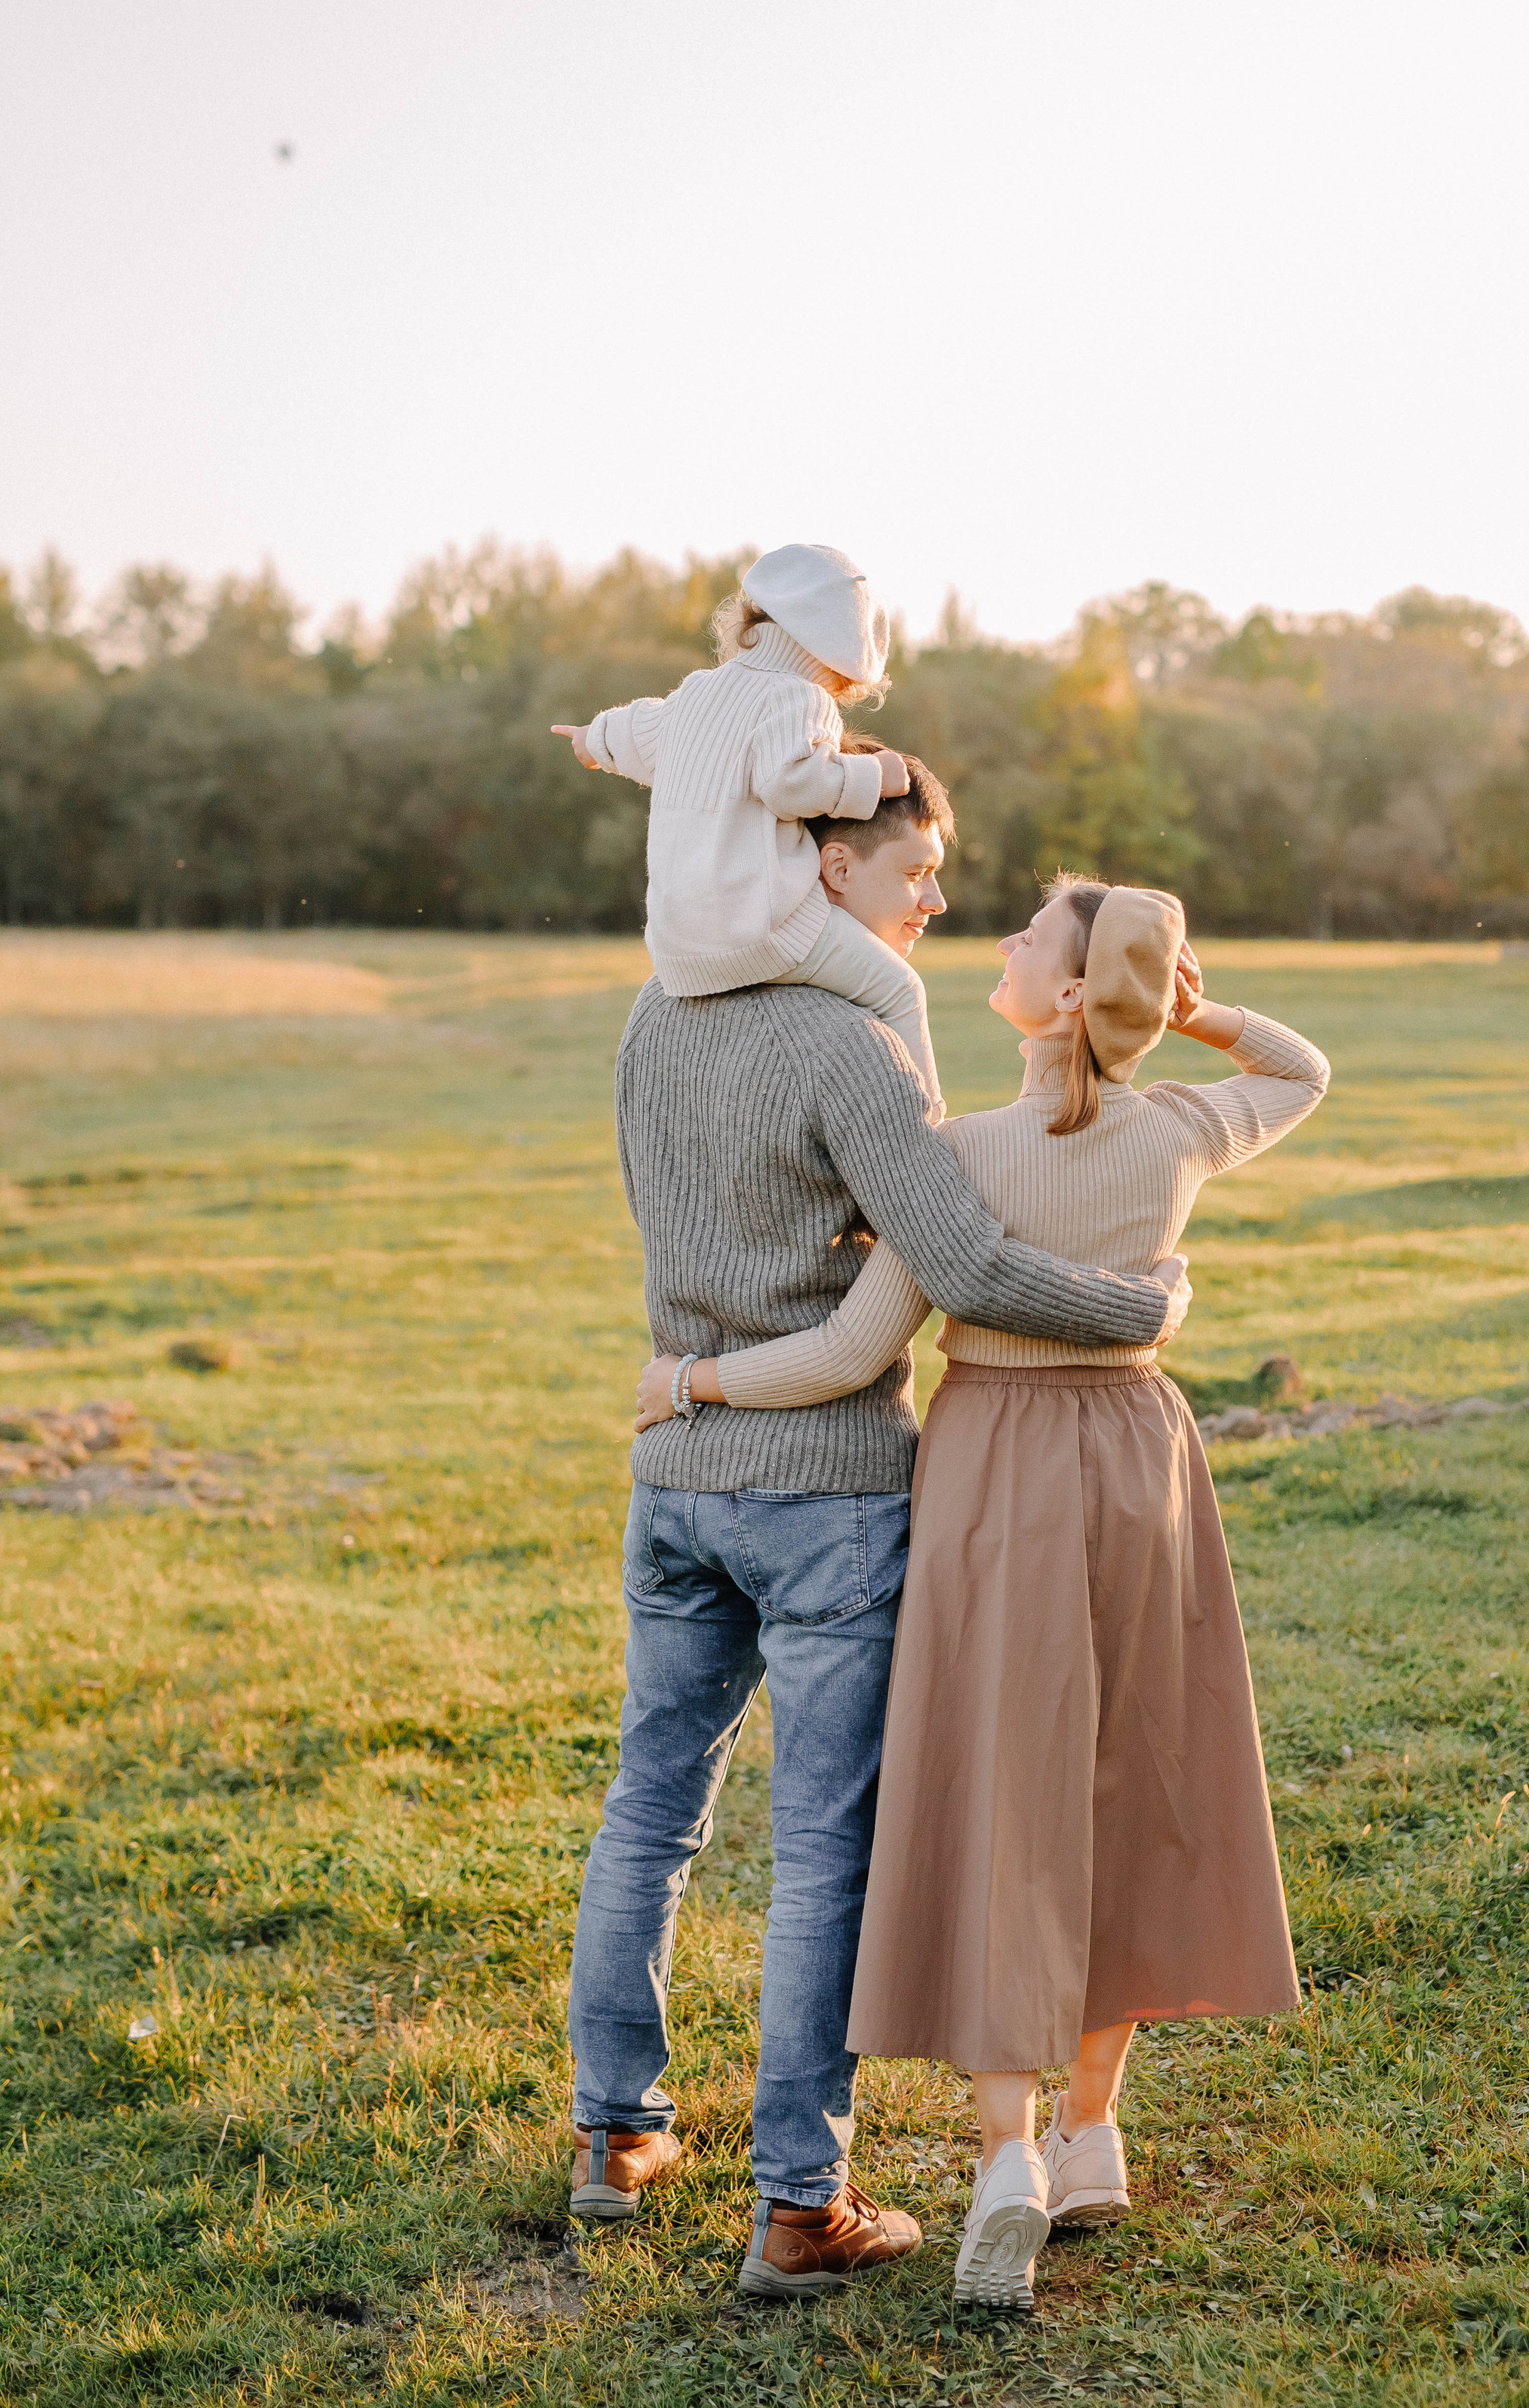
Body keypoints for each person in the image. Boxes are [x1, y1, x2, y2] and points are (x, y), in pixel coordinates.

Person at [638, 878, 1329, 2308]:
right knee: (1124, 1780)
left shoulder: (950, 1162)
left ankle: (1006, 2154)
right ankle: (1094, 2134)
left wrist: (692, 1382)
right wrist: (1194, 1015)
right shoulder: (1189, 1129)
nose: (1002, 944)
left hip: (993, 1468)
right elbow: (1304, 1071)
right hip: (1138, 1454)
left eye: (1033, 939)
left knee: (1005, 1789)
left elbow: (844, 1355)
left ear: (1068, 997)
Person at [567, 771, 1194, 2303]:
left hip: (678, 1473)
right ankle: (799, 2206)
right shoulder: (855, 1043)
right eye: (910, 872)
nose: (929, 902)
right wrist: (1141, 1308)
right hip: (824, 1494)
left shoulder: (658, 1013)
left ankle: (613, 2138)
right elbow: (965, 1256)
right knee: (816, 1847)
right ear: (823, 867)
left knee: (650, 1805)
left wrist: (693, 1376)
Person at [554, 540, 943, 1116]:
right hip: (761, 933)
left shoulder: (698, 692)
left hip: (678, 953)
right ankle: (928, 1122)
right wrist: (875, 776)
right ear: (844, 657)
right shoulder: (801, 698)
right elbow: (791, 783)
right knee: (900, 990)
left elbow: (639, 731)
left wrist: (593, 740)